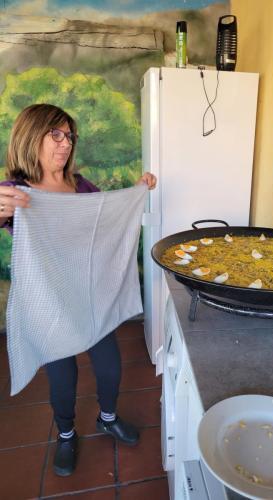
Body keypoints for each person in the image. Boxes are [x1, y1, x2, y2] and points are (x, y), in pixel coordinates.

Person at [0, 103, 157, 477]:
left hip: (90, 297)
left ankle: (107, 417)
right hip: (51, 304)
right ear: (30, 135)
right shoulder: (16, 190)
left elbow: (106, 217)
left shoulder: (80, 185)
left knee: (109, 366)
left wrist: (137, 191)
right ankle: (67, 435)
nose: (65, 143)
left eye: (69, 136)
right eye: (55, 134)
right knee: (62, 378)